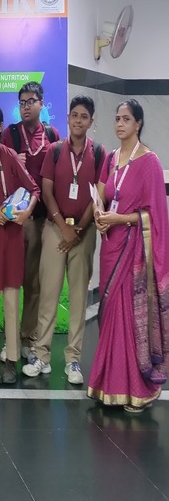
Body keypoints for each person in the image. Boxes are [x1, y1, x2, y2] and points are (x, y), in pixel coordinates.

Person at [89, 100, 169, 413]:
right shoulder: (110, 159)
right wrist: (99, 215)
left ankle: (137, 388)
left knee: (130, 318)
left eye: (126, 119)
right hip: (110, 247)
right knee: (110, 317)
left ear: (138, 124)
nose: (119, 124)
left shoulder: (148, 161)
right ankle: (107, 383)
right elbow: (105, 196)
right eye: (117, 118)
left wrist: (119, 220)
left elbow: (155, 216)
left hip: (134, 251)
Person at [23, 96, 105, 383]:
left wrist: (79, 230)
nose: (79, 120)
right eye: (74, 115)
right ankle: (41, 355)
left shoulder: (100, 154)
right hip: (54, 229)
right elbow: (46, 191)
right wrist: (63, 227)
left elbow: (99, 197)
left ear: (91, 121)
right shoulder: (55, 150)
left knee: (79, 298)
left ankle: (73, 360)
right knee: (48, 295)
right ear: (68, 119)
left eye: (84, 116)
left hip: (84, 233)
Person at [0, 105, 39, 384]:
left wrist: (26, 213)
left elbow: (34, 189)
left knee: (12, 300)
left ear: (1, 127)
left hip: (13, 237)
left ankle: (12, 359)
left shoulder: (10, 156)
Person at [1, 82, 59, 360]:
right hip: (13, 222)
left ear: (41, 103)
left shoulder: (52, 135)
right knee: (11, 281)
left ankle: (27, 337)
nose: (25, 106)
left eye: (30, 101)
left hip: (39, 221)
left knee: (33, 284)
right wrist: (15, 165)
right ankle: (9, 339)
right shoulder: (9, 135)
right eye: (21, 102)